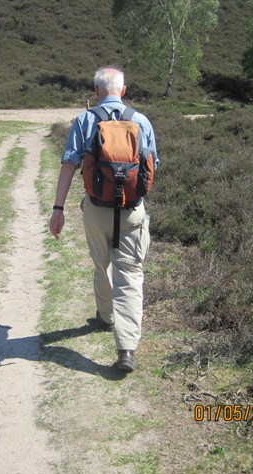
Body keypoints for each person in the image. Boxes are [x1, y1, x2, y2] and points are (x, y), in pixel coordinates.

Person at [49, 66, 159, 372]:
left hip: (96, 210)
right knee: (130, 274)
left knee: (102, 263)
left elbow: (69, 165)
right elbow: (152, 165)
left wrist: (58, 209)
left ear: (96, 91)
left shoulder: (85, 120)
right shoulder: (141, 121)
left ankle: (106, 316)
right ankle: (126, 349)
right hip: (132, 211)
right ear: (123, 91)